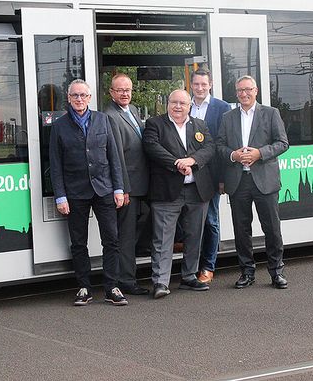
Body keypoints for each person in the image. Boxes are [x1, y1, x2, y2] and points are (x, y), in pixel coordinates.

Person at [49, 79, 128, 306]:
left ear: (90, 98)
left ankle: (112, 286)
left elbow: (114, 157)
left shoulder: (103, 120)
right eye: (75, 96)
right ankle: (84, 287)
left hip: (104, 189)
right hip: (74, 192)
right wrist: (60, 196)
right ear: (69, 98)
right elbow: (55, 164)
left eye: (83, 95)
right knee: (78, 242)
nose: (79, 99)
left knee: (111, 240)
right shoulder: (59, 126)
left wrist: (119, 188)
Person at [216, 76, 290, 290]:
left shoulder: (271, 113)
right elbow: (219, 146)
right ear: (236, 92)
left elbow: (283, 143)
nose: (243, 94)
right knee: (241, 230)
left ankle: (277, 272)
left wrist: (260, 153)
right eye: (240, 90)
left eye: (248, 89)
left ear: (256, 90)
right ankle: (246, 272)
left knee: (272, 229)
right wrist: (233, 156)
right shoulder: (227, 117)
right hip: (238, 182)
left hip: (265, 181)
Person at [143, 89, 215, 299]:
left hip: (197, 190)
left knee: (194, 236)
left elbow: (209, 148)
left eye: (182, 103)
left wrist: (192, 161)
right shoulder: (154, 124)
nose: (177, 106)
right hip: (166, 192)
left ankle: (189, 276)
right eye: (174, 102)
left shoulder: (199, 125)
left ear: (189, 106)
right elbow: (152, 147)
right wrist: (176, 163)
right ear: (168, 104)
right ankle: (160, 282)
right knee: (163, 238)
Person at [104, 73, 149, 296]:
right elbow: (116, 156)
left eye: (128, 89)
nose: (125, 94)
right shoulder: (110, 116)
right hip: (129, 186)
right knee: (127, 235)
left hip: (143, 183)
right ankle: (126, 280)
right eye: (120, 90)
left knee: (143, 224)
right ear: (111, 92)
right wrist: (123, 188)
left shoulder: (133, 110)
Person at [189, 69, 231, 284]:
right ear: (191, 85)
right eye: (196, 84)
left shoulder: (222, 108)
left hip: (212, 174)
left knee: (211, 221)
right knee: (191, 221)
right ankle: (191, 266)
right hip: (187, 174)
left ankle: (208, 266)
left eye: (203, 84)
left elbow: (224, 144)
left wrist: (223, 178)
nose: (200, 88)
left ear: (210, 84)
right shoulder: (184, 105)